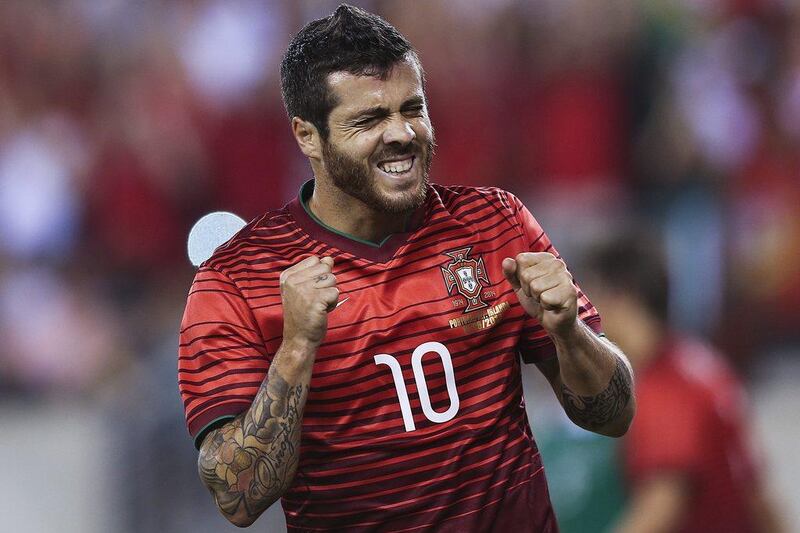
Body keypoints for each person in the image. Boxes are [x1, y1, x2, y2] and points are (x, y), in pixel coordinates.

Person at [178, 5, 635, 531]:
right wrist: (296, 349)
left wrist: (570, 334)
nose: (401, 133)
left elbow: (613, 415)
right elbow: (236, 497)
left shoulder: (493, 224)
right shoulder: (237, 279)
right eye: (369, 119)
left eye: (411, 108)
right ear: (308, 136)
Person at [580, 237, 783, 533]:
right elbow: (757, 496)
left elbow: (661, 503)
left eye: (586, 297)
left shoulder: (662, 391)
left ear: (619, 297)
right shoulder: (702, 364)